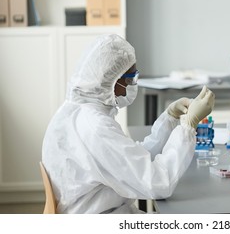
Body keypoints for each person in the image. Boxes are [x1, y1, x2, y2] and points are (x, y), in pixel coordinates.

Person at [42, 34, 215, 214]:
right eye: (130, 78)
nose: (132, 84)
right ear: (111, 79)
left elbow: (131, 159)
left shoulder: (76, 111)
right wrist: (187, 127)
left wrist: (170, 118)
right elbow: (158, 183)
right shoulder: (95, 127)